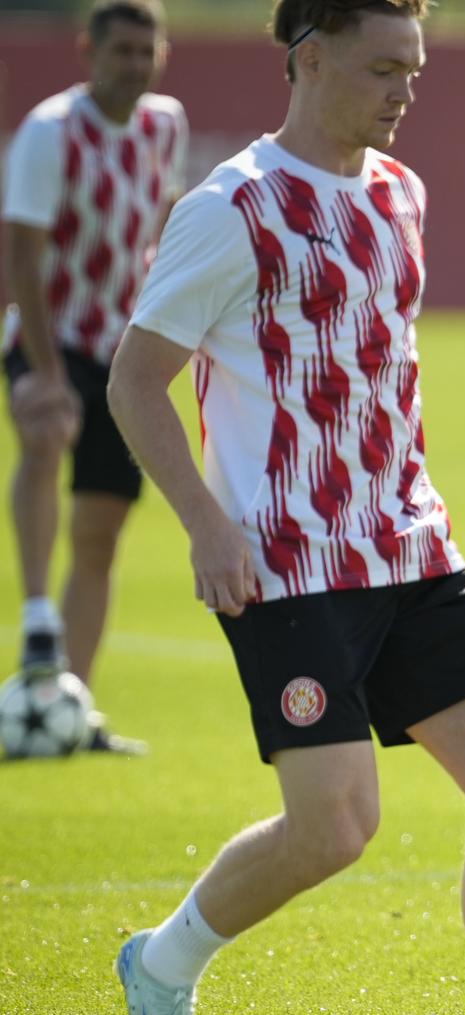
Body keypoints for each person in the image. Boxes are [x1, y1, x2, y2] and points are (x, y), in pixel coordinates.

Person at [104, 0, 465, 1015]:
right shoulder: (231, 210)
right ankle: (162, 961)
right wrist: (206, 522)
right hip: (285, 564)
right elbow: (133, 379)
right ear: (308, 60)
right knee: (336, 826)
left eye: (417, 68)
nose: (406, 89)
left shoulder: (402, 193)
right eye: (383, 67)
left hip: (411, 544)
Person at [3, 0, 186, 752]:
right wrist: (46, 372)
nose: (136, 65)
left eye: (148, 51)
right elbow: (24, 260)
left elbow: (165, 228)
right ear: (88, 51)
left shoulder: (165, 123)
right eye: (122, 51)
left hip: (121, 346)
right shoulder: (51, 132)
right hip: (52, 332)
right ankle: (40, 619)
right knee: (46, 436)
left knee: (103, 528)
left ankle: (73, 706)